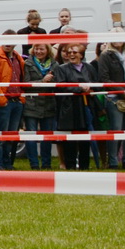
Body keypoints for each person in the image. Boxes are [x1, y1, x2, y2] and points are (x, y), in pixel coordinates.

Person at [95, 37, 125, 169]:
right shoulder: (106, 56)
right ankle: (113, 162)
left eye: (120, 37)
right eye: (114, 38)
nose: (117, 40)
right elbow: (104, 78)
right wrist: (122, 92)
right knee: (115, 130)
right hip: (114, 98)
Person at [0, 32, 25, 170]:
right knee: (0, 135)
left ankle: (7, 163)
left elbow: (21, 80)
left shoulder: (19, 58)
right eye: (5, 40)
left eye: (11, 40)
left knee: (11, 136)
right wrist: (2, 101)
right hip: (3, 103)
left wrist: (21, 99)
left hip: (16, 101)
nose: (7, 43)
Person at [52, 43, 94, 171]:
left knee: (85, 138)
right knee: (70, 139)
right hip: (69, 107)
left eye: (74, 52)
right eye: (69, 52)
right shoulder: (61, 68)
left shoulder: (89, 68)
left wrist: (90, 89)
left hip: (86, 106)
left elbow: (96, 83)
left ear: (81, 54)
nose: (71, 55)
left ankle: (84, 166)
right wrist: (80, 88)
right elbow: (62, 86)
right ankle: (70, 165)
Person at [20, 41, 57, 169]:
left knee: (47, 136)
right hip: (32, 104)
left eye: (41, 49)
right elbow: (26, 84)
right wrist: (42, 81)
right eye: (36, 49)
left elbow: (57, 83)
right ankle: (34, 164)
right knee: (31, 135)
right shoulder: (27, 63)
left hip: (49, 104)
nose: (39, 52)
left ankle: (47, 164)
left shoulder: (54, 64)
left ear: (47, 50)